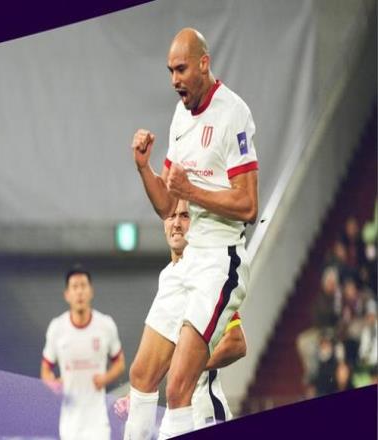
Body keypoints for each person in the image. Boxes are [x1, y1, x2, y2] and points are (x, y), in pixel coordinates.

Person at [129, 27, 258, 438]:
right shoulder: (180, 117)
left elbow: (249, 206)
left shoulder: (233, 113)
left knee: (179, 387)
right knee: (141, 375)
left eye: (181, 69)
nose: (174, 80)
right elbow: (168, 206)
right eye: (170, 71)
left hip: (220, 259)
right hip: (188, 259)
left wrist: (192, 192)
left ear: (204, 63)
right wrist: (144, 169)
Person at [120, 200, 246, 438]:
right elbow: (162, 359)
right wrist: (139, 396)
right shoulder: (168, 276)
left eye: (185, 216)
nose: (176, 223)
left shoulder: (207, 275)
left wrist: (187, 367)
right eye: (171, 216)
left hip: (205, 413)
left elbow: (236, 342)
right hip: (176, 413)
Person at [41, 265, 126, 440]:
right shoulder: (57, 328)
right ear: (67, 294)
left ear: (91, 291)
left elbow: (120, 363)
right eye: (74, 287)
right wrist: (54, 384)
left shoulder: (105, 325)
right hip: (70, 424)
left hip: (98, 423)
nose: (79, 291)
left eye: (83, 286)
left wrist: (105, 378)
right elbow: (45, 369)